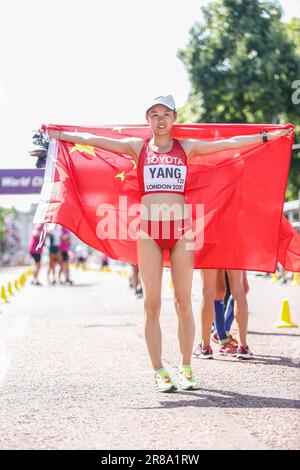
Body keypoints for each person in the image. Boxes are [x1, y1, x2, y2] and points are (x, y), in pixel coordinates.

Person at [48, 95, 291, 392]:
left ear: (174, 117)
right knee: (151, 305)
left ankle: (187, 367)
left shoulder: (186, 148)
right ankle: (159, 370)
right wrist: (58, 133)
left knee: (183, 303)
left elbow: (228, 145)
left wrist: (268, 136)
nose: (160, 119)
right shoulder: (137, 147)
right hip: (149, 232)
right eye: (154, 114)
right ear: (147, 119)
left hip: (181, 232)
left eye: (165, 114)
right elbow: (93, 139)